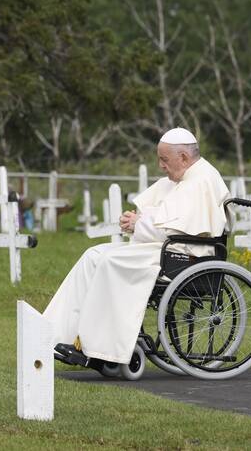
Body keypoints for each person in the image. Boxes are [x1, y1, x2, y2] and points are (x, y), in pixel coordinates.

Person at [43, 127, 229, 368]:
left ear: (183, 157)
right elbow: (165, 216)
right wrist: (136, 220)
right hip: (168, 248)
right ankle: (52, 335)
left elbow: (181, 229)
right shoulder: (185, 176)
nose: (161, 165)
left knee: (111, 262)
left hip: (186, 254)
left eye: (164, 159)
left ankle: (98, 349)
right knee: (94, 254)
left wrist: (139, 224)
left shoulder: (202, 179)